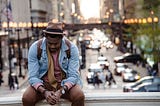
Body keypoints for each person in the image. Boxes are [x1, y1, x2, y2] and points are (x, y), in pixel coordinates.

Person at [22, 21, 85, 106]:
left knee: (79, 96)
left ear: (61, 38)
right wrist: (44, 92)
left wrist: (61, 91)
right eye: (50, 43)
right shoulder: (35, 48)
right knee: (27, 98)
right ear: (46, 37)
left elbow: (73, 76)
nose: (52, 46)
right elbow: (33, 76)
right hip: (43, 84)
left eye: (56, 44)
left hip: (64, 84)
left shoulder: (71, 48)